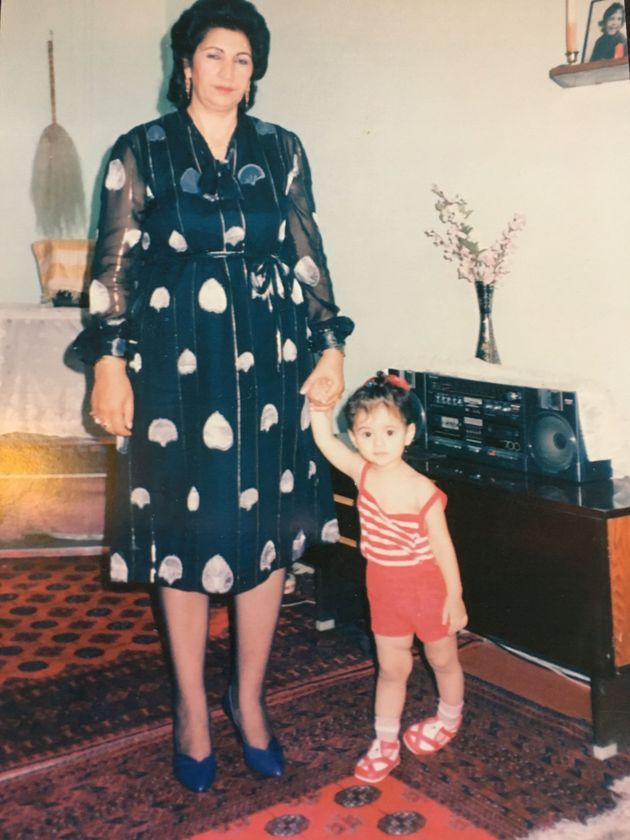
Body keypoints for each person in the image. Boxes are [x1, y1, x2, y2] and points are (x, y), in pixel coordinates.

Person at [73, 0, 353, 793]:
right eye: (213, 56)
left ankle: (250, 699)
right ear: (185, 64)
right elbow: (113, 266)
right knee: (183, 535)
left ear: (254, 71)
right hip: (174, 367)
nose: (227, 72)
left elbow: (307, 252)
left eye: (242, 59)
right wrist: (109, 363)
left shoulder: (282, 149)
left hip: (270, 361)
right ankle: (193, 710)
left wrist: (330, 345)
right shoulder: (142, 150)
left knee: (264, 533)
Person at [308, 372, 467, 784]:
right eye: (366, 432)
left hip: (427, 589)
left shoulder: (422, 490)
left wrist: (455, 597)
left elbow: (444, 547)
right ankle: (385, 742)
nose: (378, 442)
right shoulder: (362, 473)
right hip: (384, 588)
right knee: (392, 667)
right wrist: (321, 408)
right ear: (355, 437)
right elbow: (325, 442)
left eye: (389, 431)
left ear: (408, 434)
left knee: (441, 658)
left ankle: (449, 718)